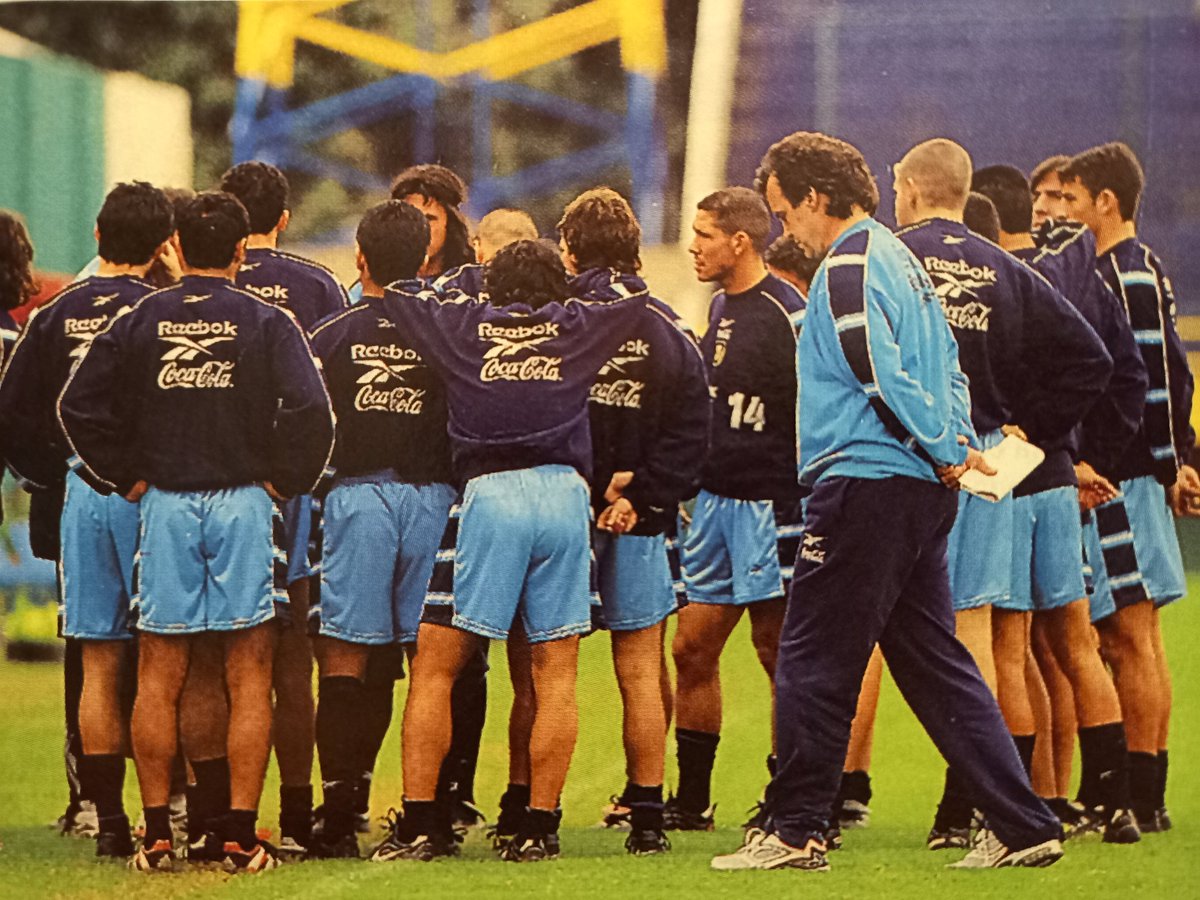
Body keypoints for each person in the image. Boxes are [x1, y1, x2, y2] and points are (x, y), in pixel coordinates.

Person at [709, 129, 1064, 873]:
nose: (785, 230)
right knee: (937, 663)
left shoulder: (849, 263)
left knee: (811, 655)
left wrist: (941, 447)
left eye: (784, 213)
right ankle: (1025, 823)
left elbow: (878, 369)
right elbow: (949, 368)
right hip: (918, 488)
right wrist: (957, 444)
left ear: (813, 197)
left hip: (867, 483)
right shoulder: (900, 258)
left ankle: (797, 829)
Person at [58, 191, 334, 873]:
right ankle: (239, 835)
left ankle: (157, 837)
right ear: (242, 251)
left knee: (160, 673)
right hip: (243, 502)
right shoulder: (269, 321)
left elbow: (77, 405)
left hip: (167, 504)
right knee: (249, 671)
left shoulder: (140, 316)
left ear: (174, 246)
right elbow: (313, 412)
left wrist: (124, 476)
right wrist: (284, 477)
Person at [367, 239, 646, 863]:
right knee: (555, 675)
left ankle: (420, 824)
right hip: (565, 496)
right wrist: (572, 292)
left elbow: (405, 292)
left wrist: (471, 278)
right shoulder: (575, 325)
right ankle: (538, 826)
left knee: (437, 666)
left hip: (489, 494)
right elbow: (633, 290)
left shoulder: (465, 323)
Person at [892, 139, 1128, 848]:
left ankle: (979, 806)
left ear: (909, 187)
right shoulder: (1004, 264)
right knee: (1015, 640)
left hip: (944, 458)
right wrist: (1038, 437)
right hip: (1006, 461)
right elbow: (1094, 358)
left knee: (981, 638)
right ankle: (1103, 801)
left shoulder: (895, 257)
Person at [491, 188, 708, 856]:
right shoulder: (667, 324)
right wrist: (641, 497)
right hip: (637, 522)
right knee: (640, 666)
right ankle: (647, 816)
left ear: (571, 246)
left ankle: (524, 806)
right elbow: (694, 435)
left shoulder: (559, 321)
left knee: (540, 666)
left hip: (564, 513)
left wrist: (593, 491)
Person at [0, 183, 175, 860]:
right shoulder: (168, 313)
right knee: (166, 657)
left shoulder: (55, 313)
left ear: (97, 237)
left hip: (82, 493)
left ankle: (106, 822)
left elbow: (14, 417)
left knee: (97, 659)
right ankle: (170, 814)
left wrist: (50, 478)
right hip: (154, 494)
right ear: (164, 246)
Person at [973, 163, 1150, 831]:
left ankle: (1015, 806)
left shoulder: (990, 284)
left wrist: (1030, 440)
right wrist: (1082, 455)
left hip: (1008, 474)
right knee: (1076, 645)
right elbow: (1122, 372)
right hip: (1054, 476)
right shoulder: (1079, 278)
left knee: (1010, 646)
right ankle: (1112, 801)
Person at [304, 200, 453, 859]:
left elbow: (302, 425)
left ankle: (339, 815)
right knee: (428, 664)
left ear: (359, 258)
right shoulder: (450, 331)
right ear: (426, 259)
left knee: (345, 656)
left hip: (357, 498)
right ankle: (430, 809)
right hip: (434, 501)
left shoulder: (330, 336)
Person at [1061, 141, 1199, 830]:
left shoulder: (1128, 272)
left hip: (1126, 479)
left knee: (1133, 635)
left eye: (1075, 198)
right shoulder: (1117, 269)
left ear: (1105, 201)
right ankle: (1131, 790)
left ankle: (1144, 795)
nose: (1069, 211)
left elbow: (1159, 379)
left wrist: (1165, 464)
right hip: (1126, 473)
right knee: (1117, 635)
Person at [220, 159, 350, 858]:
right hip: (299, 491)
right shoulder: (317, 284)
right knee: (295, 660)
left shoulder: (203, 287)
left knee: (208, 659)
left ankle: (205, 812)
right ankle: (299, 816)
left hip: (218, 488)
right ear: (284, 218)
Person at [671, 187, 805, 832]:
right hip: (716, 506)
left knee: (780, 651)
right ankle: (692, 800)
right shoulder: (721, 306)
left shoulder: (790, 312)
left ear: (740, 242)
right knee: (692, 649)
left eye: (703, 234)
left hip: (773, 506)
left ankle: (794, 798)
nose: (693, 245)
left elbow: (820, 409)